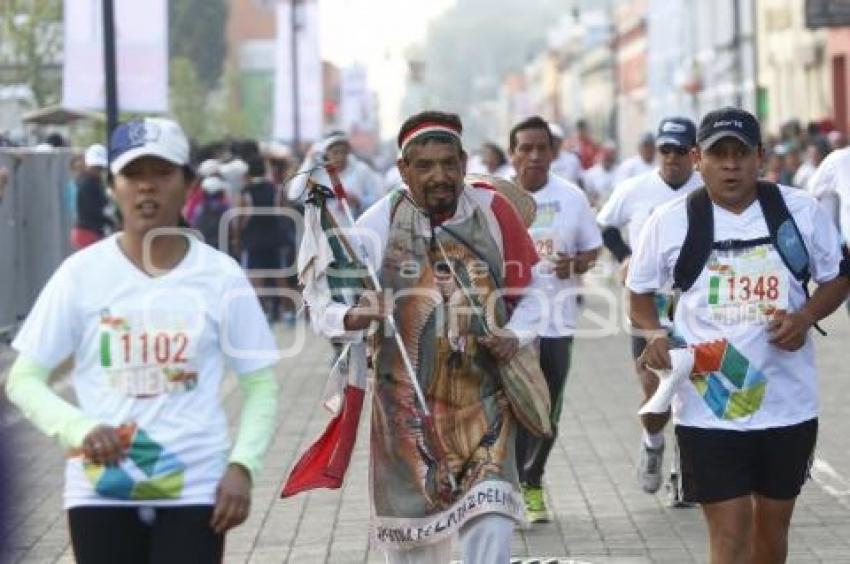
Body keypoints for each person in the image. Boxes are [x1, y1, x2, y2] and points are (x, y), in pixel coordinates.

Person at [6, 118, 280, 564]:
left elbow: (261, 385)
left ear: (188, 183)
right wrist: (79, 428)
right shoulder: (81, 275)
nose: (146, 188)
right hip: (102, 489)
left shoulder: (220, 276)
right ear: (112, 186)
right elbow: (23, 379)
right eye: (133, 175)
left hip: (196, 487)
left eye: (162, 173)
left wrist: (243, 467)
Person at [304, 111, 545, 563]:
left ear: (463, 162)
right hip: (405, 415)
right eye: (425, 165)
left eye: (449, 164)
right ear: (403, 170)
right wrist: (356, 315)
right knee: (416, 546)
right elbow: (321, 305)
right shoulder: (377, 225)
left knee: (490, 522)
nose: (440, 176)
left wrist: (515, 333)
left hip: (485, 403)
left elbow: (534, 289)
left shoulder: (494, 212)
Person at [627, 107, 849, 564]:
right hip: (712, 404)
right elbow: (638, 290)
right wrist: (654, 334)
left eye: (741, 154)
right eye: (718, 154)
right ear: (696, 158)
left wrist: (804, 316)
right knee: (729, 537)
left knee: (771, 535)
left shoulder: (799, 212)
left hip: (787, 403)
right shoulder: (670, 221)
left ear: (760, 158)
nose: (730, 165)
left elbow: (838, 277)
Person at [597, 116, 703, 499]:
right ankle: (654, 442)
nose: (672, 158)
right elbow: (605, 225)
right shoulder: (635, 188)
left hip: (695, 301)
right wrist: (625, 256)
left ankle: (688, 470)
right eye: (665, 150)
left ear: (695, 153)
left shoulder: (707, 188)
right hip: (648, 300)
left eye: (680, 150)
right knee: (653, 384)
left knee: (696, 386)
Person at [508, 116, 602, 523]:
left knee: (546, 410)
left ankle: (532, 480)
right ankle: (506, 487)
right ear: (512, 154)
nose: (534, 156)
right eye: (525, 148)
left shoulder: (571, 197)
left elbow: (592, 250)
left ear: (553, 152)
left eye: (541, 148)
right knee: (510, 409)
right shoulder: (494, 197)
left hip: (556, 322)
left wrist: (576, 263)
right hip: (507, 325)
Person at [238, 156, 292, 323]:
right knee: (280, 276)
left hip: (254, 239)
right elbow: (284, 210)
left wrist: (237, 238)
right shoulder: (274, 188)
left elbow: (241, 217)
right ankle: (288, 313)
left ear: (248, 172)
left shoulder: (246, 191)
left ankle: (263, 313)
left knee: (257, 279)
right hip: (275, 238)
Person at [71, 144, 114, 250]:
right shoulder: (88, 184)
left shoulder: (92, 182)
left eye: (100, 168)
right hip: (88, 232)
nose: (98, 171)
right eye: (96, 168)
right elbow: (93, 210)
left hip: (88, 231)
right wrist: (110, 221)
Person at [581, 142, 617, 208]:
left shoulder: (621, 171)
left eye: (611, 156)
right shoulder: (590, 174)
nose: (608, 159)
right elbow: (589, 196)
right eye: (606, 156)